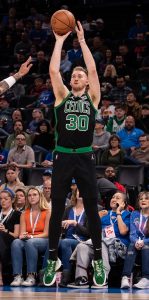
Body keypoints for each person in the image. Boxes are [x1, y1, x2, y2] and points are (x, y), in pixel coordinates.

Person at [43, 21, 106, 287]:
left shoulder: (92, 98)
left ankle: (98, 258)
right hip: (62, 156)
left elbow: (92, 68)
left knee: (92, 207)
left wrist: (81, 41)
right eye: (75, 75)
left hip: (84, 156)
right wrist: (59, 41)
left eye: (80, 76)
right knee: (57, 207)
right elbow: (54, 69)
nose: (77, 77)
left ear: (87, 81)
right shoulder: (62, 97)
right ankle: (52, 259)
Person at [68, 192, 130, 288]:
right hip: (100, 244)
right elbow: (91, 232)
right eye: (113, 197)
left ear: (124, 203)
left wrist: (118, 212)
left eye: (117, 198)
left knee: (100, 243)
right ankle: (82, 279)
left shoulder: (127, 214)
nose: (113, 199)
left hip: (118, 247)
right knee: (82, 246)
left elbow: (123, 231)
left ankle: (102, 277)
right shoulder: (104, 213)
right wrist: (97, 218)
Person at [10, 187, 50, 287]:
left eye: (35, 195)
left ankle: (31, 276)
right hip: (29, 239)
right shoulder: (24, 214)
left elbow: (46, 233)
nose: (32, 197)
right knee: (16, 242)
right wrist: (23, 236)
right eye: (29, 195)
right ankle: (18, 276)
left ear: (40, 196)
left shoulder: (47, 212)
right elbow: (22, 233)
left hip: (43, 240)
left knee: (31, 242)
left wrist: (31, 237)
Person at [121, 191, 149, 289]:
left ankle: (146, 278)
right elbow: (132, 233)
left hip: (147, 244)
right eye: (141, 199)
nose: (143, 200)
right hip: (137, 243)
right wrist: (136, 241)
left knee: (146, 246)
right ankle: (125, 277)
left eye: (146, 198)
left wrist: (143, 242)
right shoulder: (135, 214)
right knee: (131, 244)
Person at [0, 189, 21, 286]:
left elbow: (16, 235)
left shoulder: (17, 214)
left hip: (10, 240)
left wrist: (6, 230)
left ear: (12, 200)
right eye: (0, 199)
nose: (2, 201)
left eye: (5, 199)